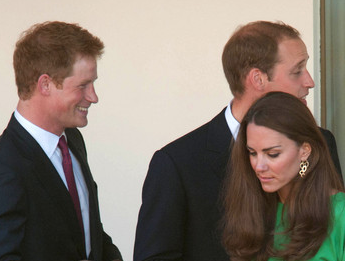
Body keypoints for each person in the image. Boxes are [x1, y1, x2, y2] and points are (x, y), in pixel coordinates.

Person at [134, 21, 342, 261]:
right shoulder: (176, 163)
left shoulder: (321, 142)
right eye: (297, 71)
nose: (309, 82)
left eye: (272, 153)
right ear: (258, 79)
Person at [0, 21, 122, 261]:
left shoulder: (73, 142)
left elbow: (89, 236)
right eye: (83, 85)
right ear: (45, 84)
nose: (93, 97)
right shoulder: (6, 165)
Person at [222, 91, 345, 261]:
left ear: (304, 151)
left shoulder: (340, 214)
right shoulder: (252, 210)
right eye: (252, 153)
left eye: (272, 154)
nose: (259, 166)